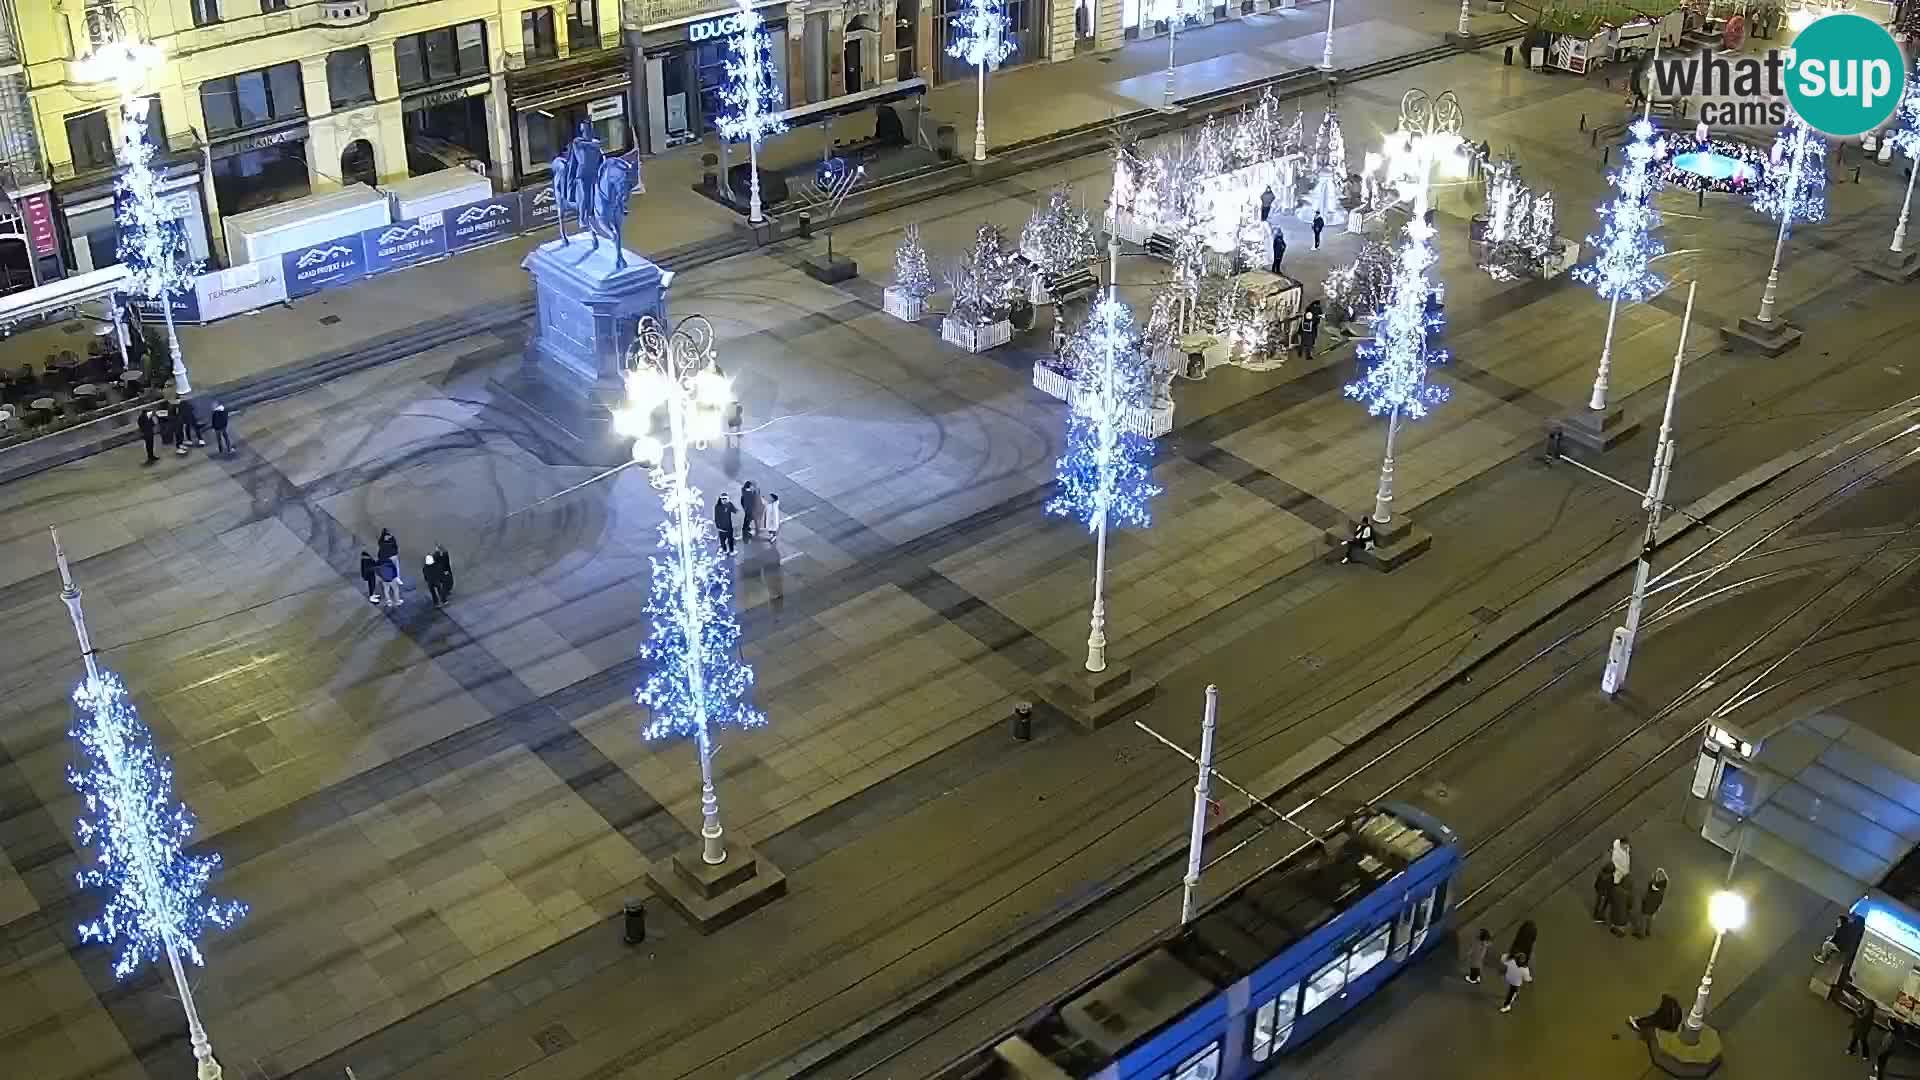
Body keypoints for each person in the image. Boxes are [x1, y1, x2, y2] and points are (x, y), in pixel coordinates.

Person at [1636, 868, 1668, 937]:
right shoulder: (1662, 890)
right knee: (1650, 919)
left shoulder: (1651, 890)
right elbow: (1666, 880)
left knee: (1643, 919)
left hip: (1647, 907)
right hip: (1654, 908)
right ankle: (1648, 931)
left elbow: (1645, 897)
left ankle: (1641, 934)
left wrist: (1654, 875)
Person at [1608, 870, 1635, 937]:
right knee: (1625, 919)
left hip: (1614, 913)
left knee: (1614, 917)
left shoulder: (1615, 889)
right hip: (1623, 917)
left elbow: (1610, 898)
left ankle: (1613, 927)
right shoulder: (1629, 894)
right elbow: (1630, 905)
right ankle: (1620, 931)